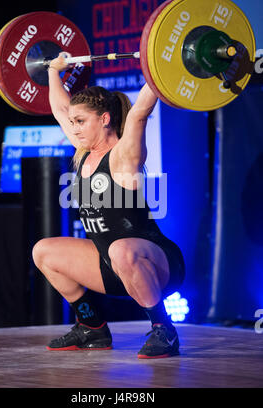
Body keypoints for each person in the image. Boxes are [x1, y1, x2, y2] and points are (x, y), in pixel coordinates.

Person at [32, 53, 185, 359]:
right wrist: (53, 71)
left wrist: (159, 67)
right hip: (110, 265)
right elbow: (61, 109)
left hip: (156, 263)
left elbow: (140, 112)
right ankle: (92, 327)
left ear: (104, 119)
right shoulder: (83, 151)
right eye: (73, 122)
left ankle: (164, 330)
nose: (73, 128)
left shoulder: (121, 157)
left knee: (120, 250)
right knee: (43, 251)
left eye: (80, 121)